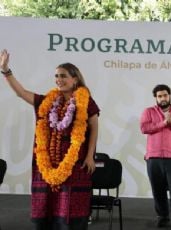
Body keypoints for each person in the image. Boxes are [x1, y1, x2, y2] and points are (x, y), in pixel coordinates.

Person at [0, 49, 100, 230]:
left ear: (75, 79)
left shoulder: (86, 102)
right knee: (45, 206)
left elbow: (94, 128)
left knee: (70, 209)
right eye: (56, 76)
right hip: (45, 164)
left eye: (63, 76)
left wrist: (90, 155)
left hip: (75, 162)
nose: (58, 80)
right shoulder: (47, 100)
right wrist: (6, 70)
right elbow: (21, 93)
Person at [140, 84, 171, 228]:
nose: (163, 98)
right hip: (153, 158)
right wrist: (163, 123)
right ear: (156, 98)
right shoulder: (148, 112)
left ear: (170, 96)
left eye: (165, 95)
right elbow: (144, 128)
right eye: (160, 96)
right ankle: (163, 216)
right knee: (158, 190)